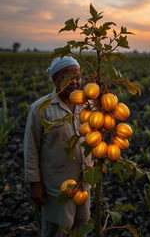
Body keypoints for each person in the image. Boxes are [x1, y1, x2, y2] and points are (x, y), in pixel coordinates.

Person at [23, 56, 93, 237]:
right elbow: (31, 148)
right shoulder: (40, 108)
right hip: (56, 185)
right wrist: (35, 183)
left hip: (83, 181)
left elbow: (99, 132)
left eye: (77, 77)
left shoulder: (88, 105)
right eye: (68, 77)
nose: (75, 82)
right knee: (59, 228)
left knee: (82, 224)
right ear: (55, 79)